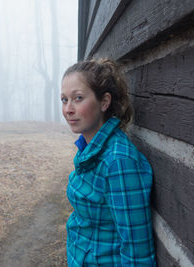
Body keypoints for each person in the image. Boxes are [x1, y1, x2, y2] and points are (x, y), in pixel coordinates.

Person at [61, 58, 156, 266]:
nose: (68, 109)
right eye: (64, 99)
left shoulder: (118, 162)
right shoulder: (89, 148)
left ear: (104, 102)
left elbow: (137, 252)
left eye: (78, 98)